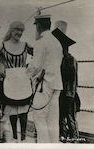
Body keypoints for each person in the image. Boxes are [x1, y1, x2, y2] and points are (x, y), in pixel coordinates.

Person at [26, 15, 63, 143]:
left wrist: (24, 75)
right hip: (57, 85)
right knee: (53, 121)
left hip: (44, 85)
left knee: (40, 118)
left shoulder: (41, 42)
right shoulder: (57, 42)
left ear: (38, 26)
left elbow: (35, 65)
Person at [0, 21, 33, 142]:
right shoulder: (2, 45)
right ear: (11, 30)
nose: (19, 33)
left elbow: (39, 55)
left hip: (23, 81)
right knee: (12, 110)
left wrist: (30, 70)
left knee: (24, 111)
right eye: (17, 30)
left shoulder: (26, 45)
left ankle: (23, 139)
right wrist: (2, 72)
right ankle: (14, 137)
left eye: (22, 30)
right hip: (10, 81)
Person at [52, 20, 80, 142]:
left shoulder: (68, 59)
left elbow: (69, 77)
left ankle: (71, 138)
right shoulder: (68, 58)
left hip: (67, 93)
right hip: (68, 92)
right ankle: (68, 138)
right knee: (66, 117)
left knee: (67, 117)